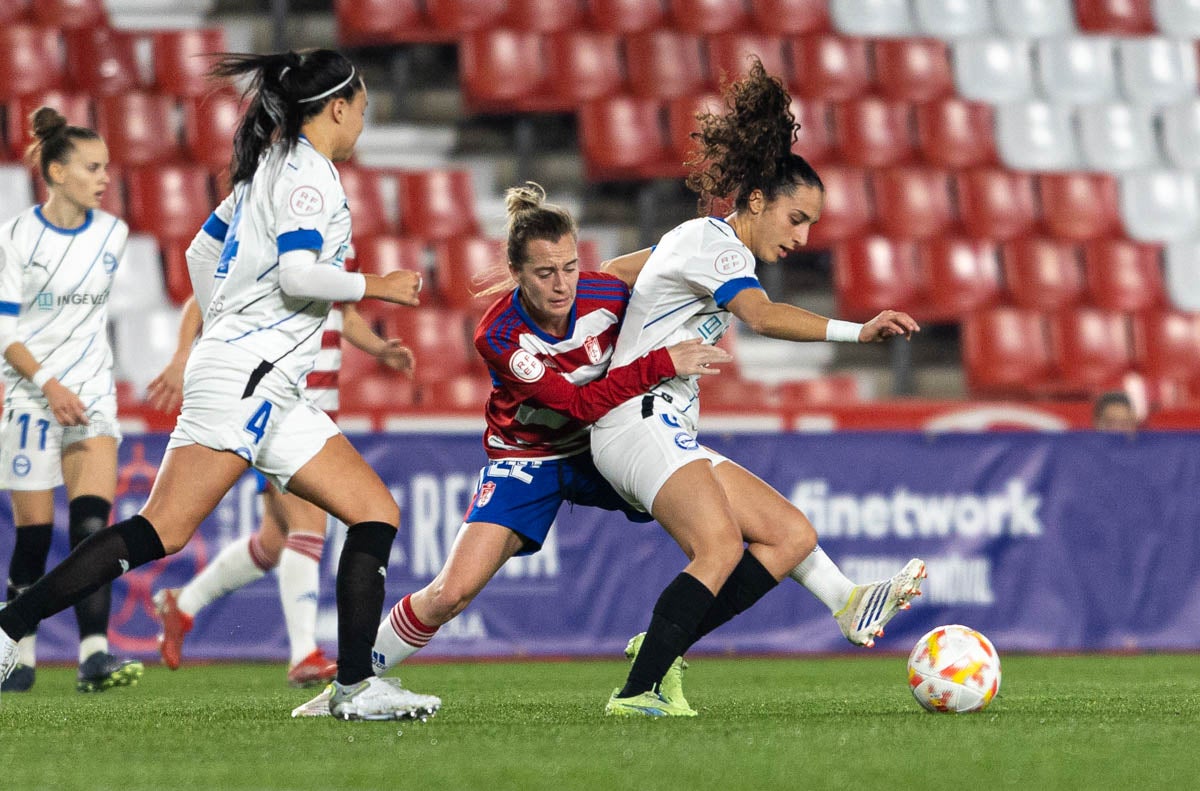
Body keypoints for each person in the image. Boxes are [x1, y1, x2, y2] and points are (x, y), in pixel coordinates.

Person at [0, 49, 439, 721]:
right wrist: (373, 285)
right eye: (364, 112)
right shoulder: (308, 178)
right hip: (249, 378)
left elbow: (201, 251)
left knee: (375, 511)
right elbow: (297, 274)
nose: (362, 126)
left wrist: (227, 323)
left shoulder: (268, 167)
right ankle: (8, 628)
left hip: (268, 383)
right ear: (339, 108)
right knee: (162, 529)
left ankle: (352, 689)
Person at [289, 182, 733, 716]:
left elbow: (675, 259)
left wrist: (730, 238)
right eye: (546, 273)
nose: (562, 284)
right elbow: (574, 404)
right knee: (450, 594)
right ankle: (349, 684)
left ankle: (804, 594)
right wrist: (663, 363)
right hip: (530, 459)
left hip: (607, 445)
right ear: (518, 273)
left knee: (726, 527)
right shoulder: (498, 333)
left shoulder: (607, 293)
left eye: (570, 267)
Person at [591, 59, 926, 717]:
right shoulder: (720, 248)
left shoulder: (697, 243)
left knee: (790, 535)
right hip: (634, 417)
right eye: (795, 218)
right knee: (717, 546)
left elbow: (612, 270)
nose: (801, 237)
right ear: (755, 203)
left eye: (809, 225)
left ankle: (844, 602)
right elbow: (762, 316)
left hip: (660, 423)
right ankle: (638, 692)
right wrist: (859, 332)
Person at [147, 292, 413, 687]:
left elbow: (341, 311)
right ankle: (303, 653)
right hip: (277, 405)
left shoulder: (338, 241)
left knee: (273, 543)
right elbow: (201, 298)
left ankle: (182, 603)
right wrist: (182, 356)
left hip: (316, 408)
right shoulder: (281, 237)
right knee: (309, 525)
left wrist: (378, 348)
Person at [0, 107, 144, 694]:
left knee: (92, 529)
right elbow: (6, 329)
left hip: (91, 398)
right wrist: (47, 384)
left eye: (107, 168)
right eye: (92, 167)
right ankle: (18, 653)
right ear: (56, 172)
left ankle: (94, 655)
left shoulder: (115, 233)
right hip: (32, 397)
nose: (105, 178)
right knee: (34, 536)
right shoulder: (16, 236)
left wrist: (75, 384)